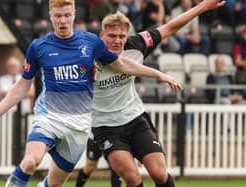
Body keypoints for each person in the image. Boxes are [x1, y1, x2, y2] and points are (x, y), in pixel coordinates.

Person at [0, 1, 182, 187]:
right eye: (58, 16)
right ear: (50, 16)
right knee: (30, 162)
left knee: (54, 184)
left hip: (79, 126)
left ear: (74, 14)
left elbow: (123, 65)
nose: (62, 21)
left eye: (66, 15)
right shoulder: (38, 47)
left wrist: (159, 75)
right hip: (50, 116)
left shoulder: (91, 43)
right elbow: (22, 85)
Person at [90, 1, 225, 187]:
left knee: (160, 174)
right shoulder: (87, 56)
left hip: (135, 119)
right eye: (111, 36)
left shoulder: (136, 44)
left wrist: (203, 6)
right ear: (101, 35)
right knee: (133, 178)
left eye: (121, 36)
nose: (117, 40)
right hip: (106, 128)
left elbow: (170, 27)